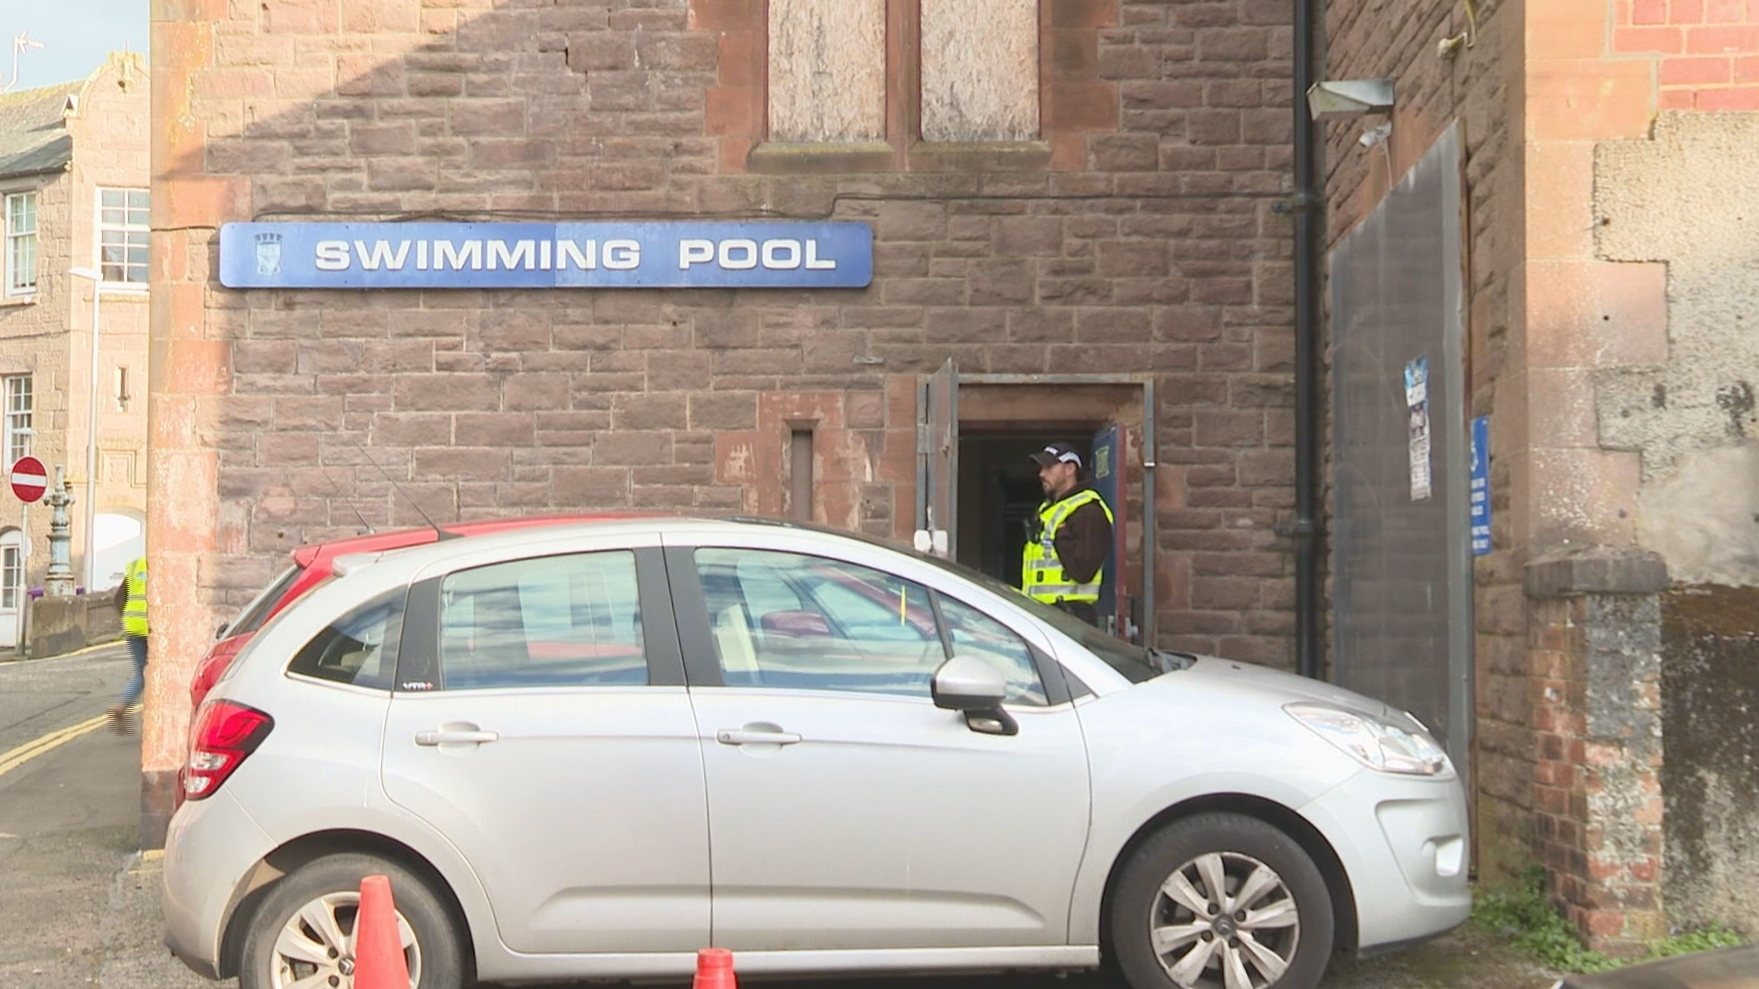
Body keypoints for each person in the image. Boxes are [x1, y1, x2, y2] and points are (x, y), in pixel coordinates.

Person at [1022, 442, 1114, 626]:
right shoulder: (1048, 509)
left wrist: (1062, 535)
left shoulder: (1088, 511)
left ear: (1070, 468)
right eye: (1041, 468)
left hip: (1071, 618)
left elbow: (1083, 570)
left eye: (1049, 467)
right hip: (1043, 615)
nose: (1042, 474)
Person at [108, 555, 148, 734]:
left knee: (140, 672)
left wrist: (126, 618)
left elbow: (118, 599)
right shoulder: (160, 565)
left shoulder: (134, 566)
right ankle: (122, 705)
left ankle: (122, 706)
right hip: (149, 625)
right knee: (146, 675)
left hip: (132, 623)